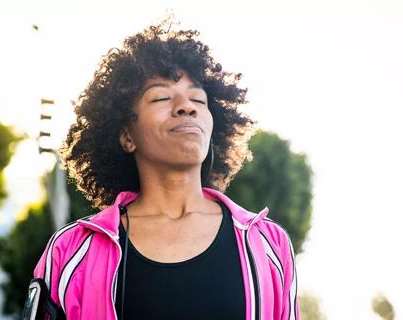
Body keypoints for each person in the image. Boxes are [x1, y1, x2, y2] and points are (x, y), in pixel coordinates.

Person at [22, 17, 300, 320]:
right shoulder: (71, 251)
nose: (186, 106)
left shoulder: (269, 244)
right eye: (162, 97)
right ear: (127, 135)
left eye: (197, 98)